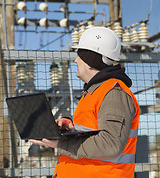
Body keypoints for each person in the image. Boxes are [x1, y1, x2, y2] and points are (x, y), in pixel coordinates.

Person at [29, 26, 140, 178]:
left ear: (90, 61)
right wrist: (71, 127)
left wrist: (60, 144)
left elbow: (111, 143)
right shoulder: (94, 91)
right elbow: (93, 129)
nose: (76, 60)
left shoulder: (114, 93)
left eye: (79, 56)